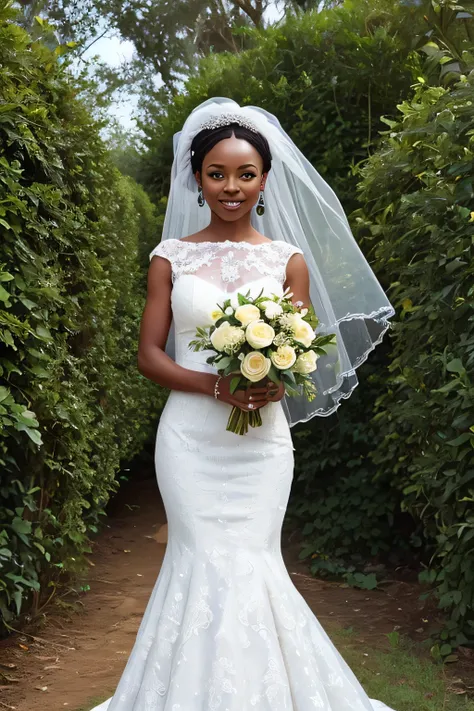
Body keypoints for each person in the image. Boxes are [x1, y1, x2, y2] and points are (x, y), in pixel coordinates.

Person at [90, 99, 396, 710]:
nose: (232, 187)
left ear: (264, 179)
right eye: (218, 174)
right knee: (198, 559)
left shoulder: (287, 261)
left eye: (246, 174)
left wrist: (276, 381)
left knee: (253, 561)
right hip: (189, 441)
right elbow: (149, 355)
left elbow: (300, 353)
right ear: (197, 179)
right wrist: (212, 386)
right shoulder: (170, 258)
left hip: (260, 442)